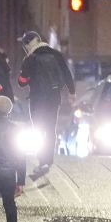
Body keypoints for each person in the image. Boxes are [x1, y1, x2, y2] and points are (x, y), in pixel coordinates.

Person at [18, 30, 74, 171]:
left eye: (25, 44)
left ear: (30, 44)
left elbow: (22, 82)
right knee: (50, 128)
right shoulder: (56, 55)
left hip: (37, 99)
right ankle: (47, 159)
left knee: (38, 129)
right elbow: (67, 74)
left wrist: (25, 78)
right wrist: (72, 92)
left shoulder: (30, 58)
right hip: (54, 98)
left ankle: (42, 159)